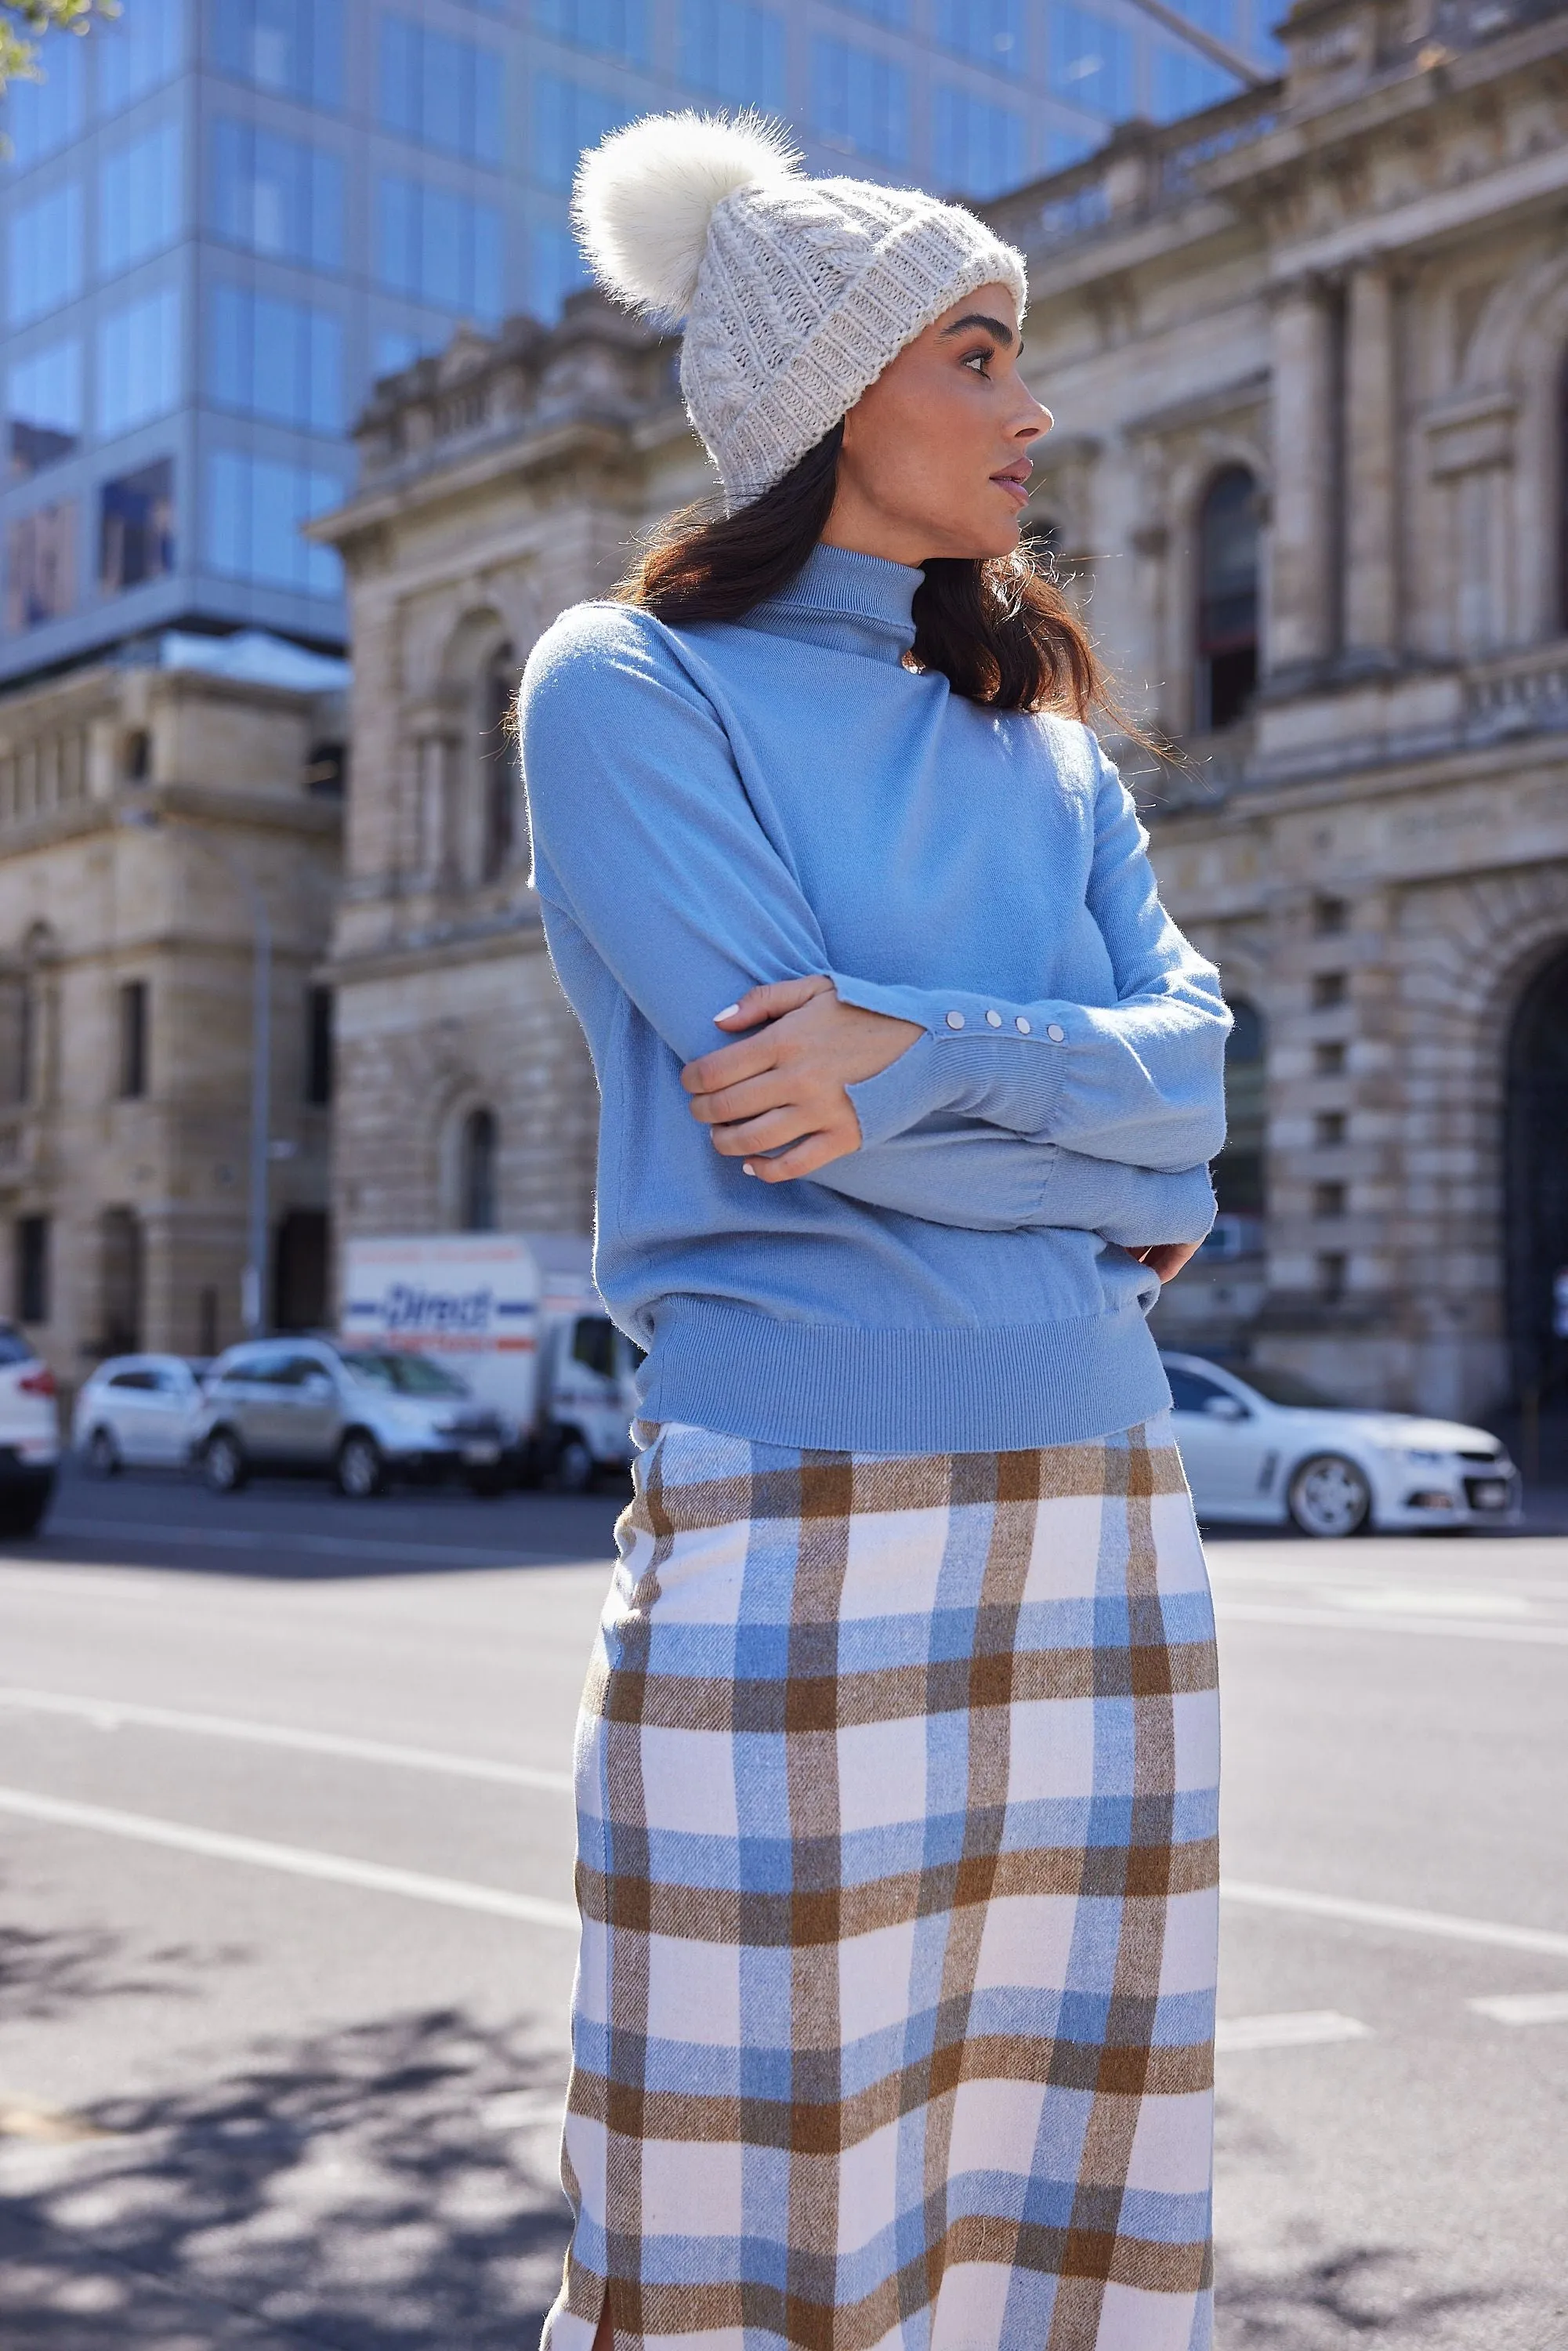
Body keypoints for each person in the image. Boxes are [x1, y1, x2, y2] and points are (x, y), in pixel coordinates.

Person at [520, 109, 1230, 2351]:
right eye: (979, 352)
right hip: (792, 1518)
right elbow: (767, 1094)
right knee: (735, 2226)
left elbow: (1197, 1103)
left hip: (1106, 1514)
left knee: (1072, 2208)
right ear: (832, 393)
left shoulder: (1054, 754)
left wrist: (929, 1060)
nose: (1034, 410)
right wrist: (1088, 1131)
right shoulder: (625, 689)